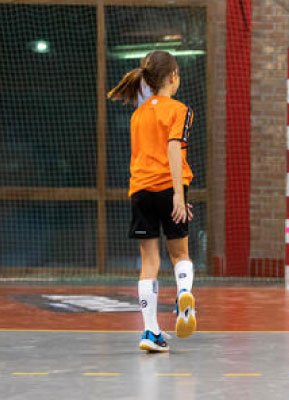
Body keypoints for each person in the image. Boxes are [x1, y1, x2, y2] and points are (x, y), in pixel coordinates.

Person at [108, 50, 197, 352]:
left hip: (140, 190)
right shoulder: (179, 109)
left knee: (149, 262)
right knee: (180, 254)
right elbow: (173, 148)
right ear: (173, 76)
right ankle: (185, 297)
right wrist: (178, 194)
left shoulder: (138, 114)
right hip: (169, 187)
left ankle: (150, 332)